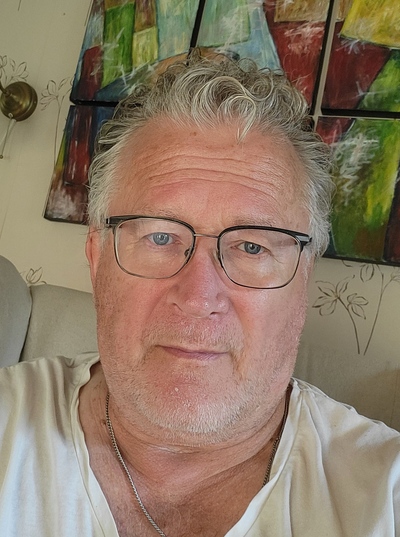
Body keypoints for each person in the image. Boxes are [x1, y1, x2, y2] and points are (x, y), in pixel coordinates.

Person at [0, 50, 399, 537]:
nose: (198, 297)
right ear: (97, 258)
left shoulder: (384, 496)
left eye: (252, 246)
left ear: (303, 280)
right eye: (160, 237)